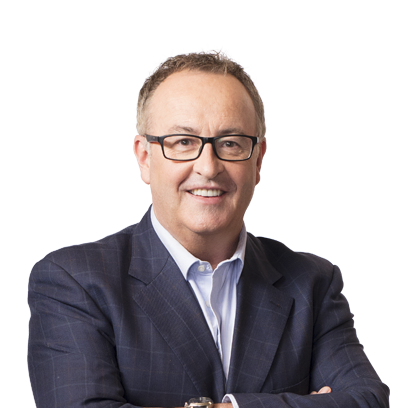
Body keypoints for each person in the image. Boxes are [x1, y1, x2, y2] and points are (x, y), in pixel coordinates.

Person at [28, 51, 389, 408]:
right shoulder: (74, 281)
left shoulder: (312, 283)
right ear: (144, 158)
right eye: (183, 142)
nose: (208, 166)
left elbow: (369, 401)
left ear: (258, 161)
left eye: (230, 143)